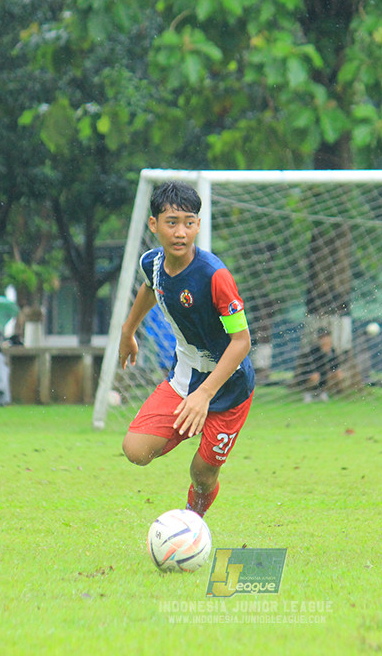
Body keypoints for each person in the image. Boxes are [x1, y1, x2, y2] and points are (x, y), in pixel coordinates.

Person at [118, 181, 255, 517]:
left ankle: (193, 524)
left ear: (198, 225)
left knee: (202, 474)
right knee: (135, 450)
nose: (181, 232)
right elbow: (150, 288)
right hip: (185, 377)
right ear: (154, 224)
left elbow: (242, 342)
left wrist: (204, 395)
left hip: (229, 386)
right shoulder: (151, 263)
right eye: (172, 222)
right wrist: (128, 330)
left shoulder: (214, 276)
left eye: (189, 223)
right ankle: (187, 426)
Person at [296, 328, 341, 402]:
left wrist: (328, 354)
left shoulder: (332, 350)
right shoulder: (313, 350)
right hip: (310, 375)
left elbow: (335, 366)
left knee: (338, 373)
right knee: (315, 376)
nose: (326, 341)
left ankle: (324, 392)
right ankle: (308, 393)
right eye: (324, 339)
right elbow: (309, 368)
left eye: (328, 338)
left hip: (324, 375)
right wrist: (323, 354)